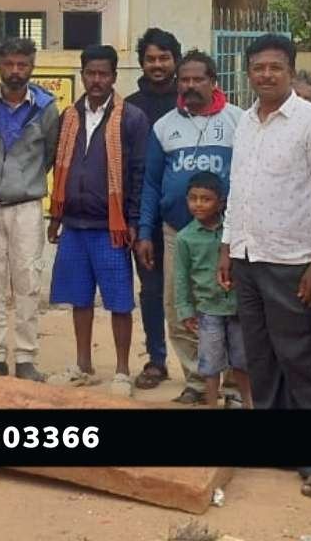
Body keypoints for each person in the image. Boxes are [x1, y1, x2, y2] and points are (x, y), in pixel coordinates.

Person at [217, 33, 311, 498]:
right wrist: (227, 246)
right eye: (258, 67)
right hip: (248, 257)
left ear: (290, 70)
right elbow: (238, 191)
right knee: (262, 357)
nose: (266, 74)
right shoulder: (245, 122)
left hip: (292, 260)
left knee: (301, 359)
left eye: (275, 67)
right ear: (248, 72)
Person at [135, 49, 243, 405]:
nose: (191, 85)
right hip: (177, 234)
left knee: (231, 307)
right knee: (178, 305)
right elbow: (151, 183)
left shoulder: (238, 121)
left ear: (214, 81)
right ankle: (197, 381)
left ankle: (232, 387)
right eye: (185, 80)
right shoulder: (164, 126)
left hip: (226, 236)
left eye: (199, 79)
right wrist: (145, 231)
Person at [47, 44, 148, 397]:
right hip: (74, 224)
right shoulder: (70, 116)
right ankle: (83, 365)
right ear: (82, 75)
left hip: (111, 227)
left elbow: (138, 172)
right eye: (90, 73)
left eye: (103, 74)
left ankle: (122, 371)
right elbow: (59, 165)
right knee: (79, 298)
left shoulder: (131, 118)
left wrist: (133, 220)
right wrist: (56, 217)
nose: (96, 80)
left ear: (114, 77)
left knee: (119, 301)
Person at [0, 37, 58, 380]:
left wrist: (24, 181)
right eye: (8, 64)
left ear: (32, 67)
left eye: (22, 65)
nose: (15, 71)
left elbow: (49, 155)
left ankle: (25, 358)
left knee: (27, 282)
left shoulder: (46, 108)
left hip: (26, 207)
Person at [125, 28, 181, 392]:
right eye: (150, 59)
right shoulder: (130, 107)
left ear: (175, 60)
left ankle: (207, 367)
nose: (157, 65)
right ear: (142, 63)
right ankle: (157, 360)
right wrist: (134, 220)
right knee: (151, 291)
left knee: (198, 292)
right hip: (144, 217)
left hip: (189, 217)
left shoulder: (189, 101)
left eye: (164, 58)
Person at [173, 172, 251, 410]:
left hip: (238, 308)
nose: (198, 204)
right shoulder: (185, 238)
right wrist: (185, 310)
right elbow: (181, 278)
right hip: (208, 311)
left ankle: (248, 403)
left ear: (221, 202)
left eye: (205, 199)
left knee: (242, 361)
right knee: (210, 364)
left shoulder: (234, 233)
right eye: (193, 198)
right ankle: (211, 404)